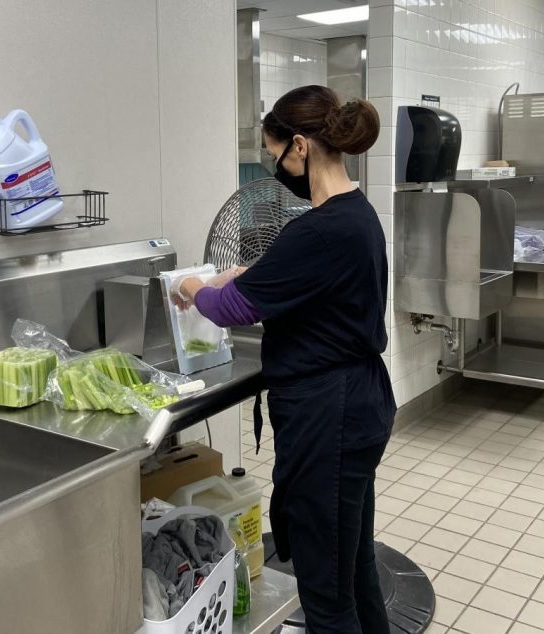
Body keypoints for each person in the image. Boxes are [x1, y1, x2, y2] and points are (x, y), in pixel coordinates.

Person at [171, 85, 395, 634]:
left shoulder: (317, 230)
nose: (275, 166)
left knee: (325, 592)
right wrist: (246, 276)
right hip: (358, 403)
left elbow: (230, 308)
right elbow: (300, 284)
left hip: (329, 415)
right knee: (354, 564)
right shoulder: (356, 215)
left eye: (274, 154)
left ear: (300, 146)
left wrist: (195, 286)